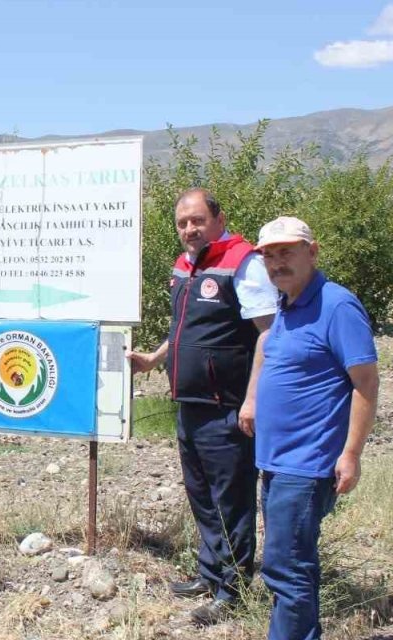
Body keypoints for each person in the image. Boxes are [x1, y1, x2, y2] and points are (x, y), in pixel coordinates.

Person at [128, 188, 278, 625]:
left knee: (231, 498)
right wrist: (155, 358)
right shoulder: (186, 265)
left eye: (197, 220)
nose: (189, 229)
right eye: (182, 223)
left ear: (219, 218)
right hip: (190, 402)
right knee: (201, 495)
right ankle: (209, 573)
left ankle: (231, 590)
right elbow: (184, 327)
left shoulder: (244, 263)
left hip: (227, 406)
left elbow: (268, 335)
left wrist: (253, 399)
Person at [242, 216, 379, 640]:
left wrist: (351, 454)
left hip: (307, 463)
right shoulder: (287, 303)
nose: (277, 262)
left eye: (287, 252)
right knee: (291, 565)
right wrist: (252, 401)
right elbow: (270, 351)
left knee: (286, 570)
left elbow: (366, 383)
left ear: (312, 252)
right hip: (278, 460)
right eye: (269, 255)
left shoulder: (337, 306)